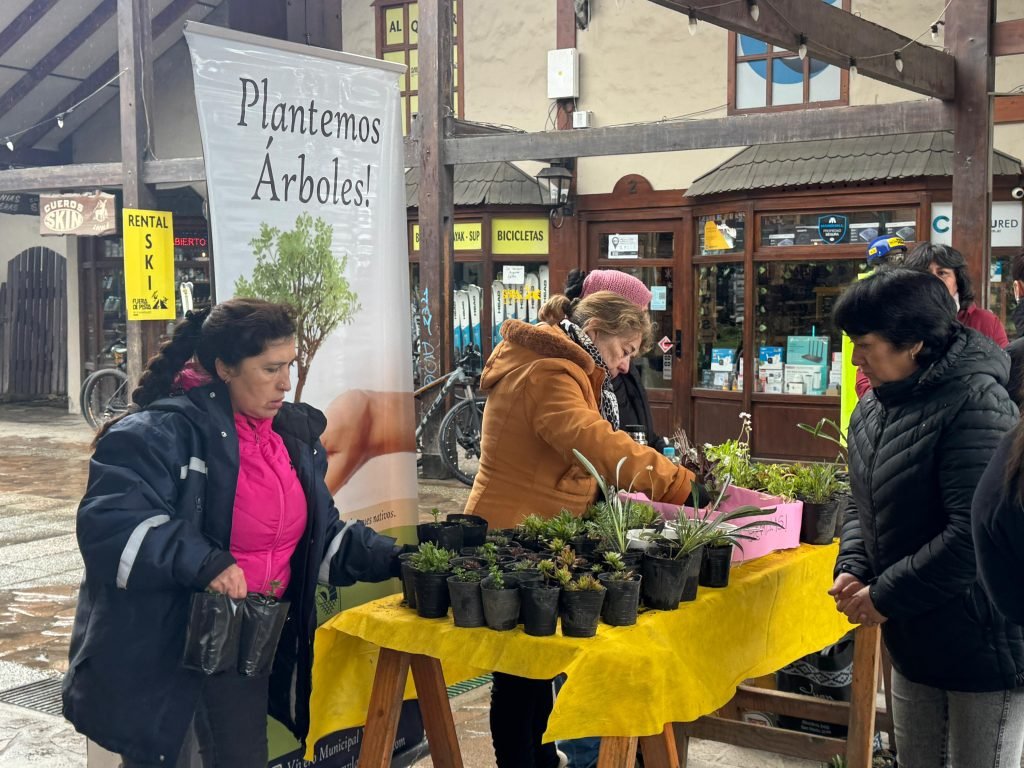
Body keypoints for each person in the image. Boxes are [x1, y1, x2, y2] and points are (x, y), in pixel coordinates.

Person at [63, 299, 405, 768]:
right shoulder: (159, 433)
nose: (285, 383)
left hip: (240, 643)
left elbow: (317, 541)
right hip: (163, 649)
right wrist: (205, 562)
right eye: (270, 369)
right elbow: (110, 526)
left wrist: (400, 557)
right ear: (224, 367)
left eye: (289, 366)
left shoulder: (289, 442)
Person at [465, 290, 693, 768]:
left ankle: (540, 760)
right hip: (515, 534)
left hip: (535, 531)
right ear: (594, 333)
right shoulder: (550, 371)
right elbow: (594, 441)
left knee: (533, 669)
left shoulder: (565, 364)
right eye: (624, 350)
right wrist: (675, 484)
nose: (626, 365)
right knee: (520, 675)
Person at [829, 270, 1024, 767]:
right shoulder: (874, 406)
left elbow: (971, 538)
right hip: (914, 635)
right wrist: (854, 565)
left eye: (866, 345)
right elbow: (861, 500)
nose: (856, 358)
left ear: (914, 343)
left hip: (982, 642)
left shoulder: (978, 404)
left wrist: (885, 594)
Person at [564, 268, 665, 449]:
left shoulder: (618, 364)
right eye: (640, 314)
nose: (644, 321)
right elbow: (603, 448)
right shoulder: (568, 373)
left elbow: (642, 430)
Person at [905, 242, 1009, 347]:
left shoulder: (986, 322)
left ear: (958, 280)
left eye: (942, 273)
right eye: (925, 273)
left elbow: (1004, 362)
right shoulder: (900, 320)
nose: (934, 280)